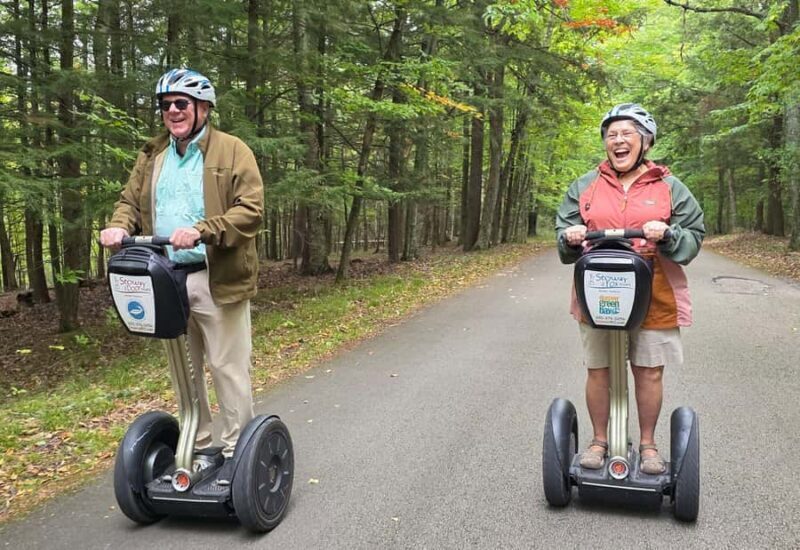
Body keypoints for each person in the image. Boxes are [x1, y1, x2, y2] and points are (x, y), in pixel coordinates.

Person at [100, 68, 264, 476]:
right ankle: (201, 445)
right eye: (166, 105)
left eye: (181, 104)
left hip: (216, 275)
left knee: (227, 367)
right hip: (166, 276)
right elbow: (130, 202)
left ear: (203, 108)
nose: (172, 111)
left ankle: (235, 455)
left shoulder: (232, 150)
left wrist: (204, 230)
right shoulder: (152, 155)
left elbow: (250, 210)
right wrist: (121, 224)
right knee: (184, 368)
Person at [555, 103, 704, 474]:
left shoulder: (670, 187)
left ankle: (649, 444)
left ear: (645, 141)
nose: (618, 141)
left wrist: (668, 234)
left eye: (627, 134)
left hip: (654, 289)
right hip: (597, 289)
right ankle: (599, 440)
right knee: (599, 368)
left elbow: (693, 236)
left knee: (649, 370)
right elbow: (564, 231)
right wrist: (570, 237)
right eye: (612, 135)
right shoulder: (585, 185)